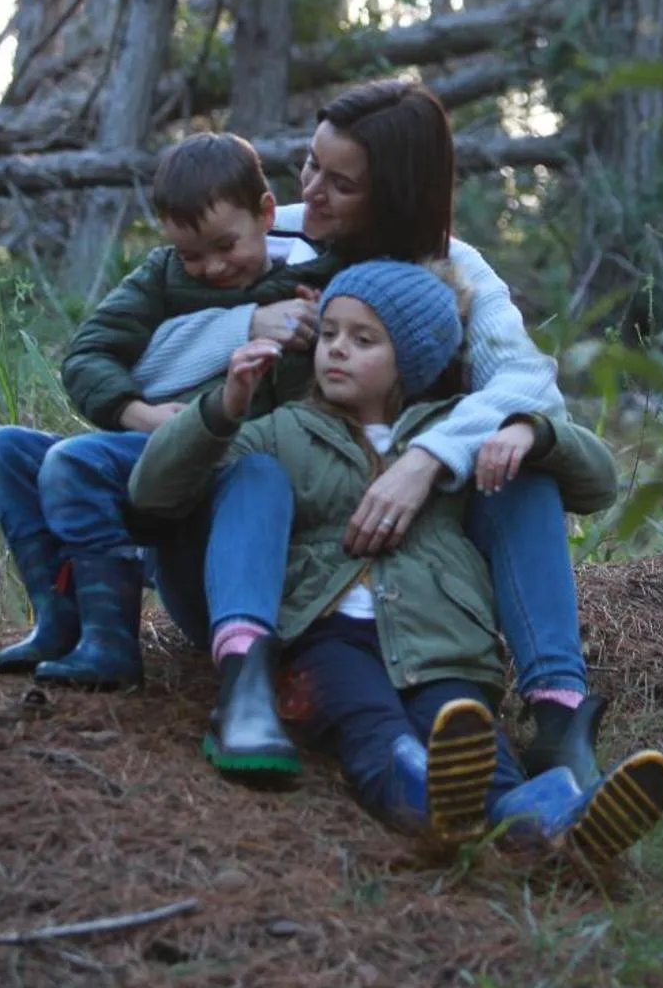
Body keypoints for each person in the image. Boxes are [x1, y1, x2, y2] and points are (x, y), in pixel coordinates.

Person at [133, 79, 614, 790]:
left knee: (523, 455)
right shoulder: (263, 236)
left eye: (341, 182)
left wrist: (426, 459)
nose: (311, 191)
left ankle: (557, 717)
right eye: (310, 165)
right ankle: (240, 672)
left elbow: (527, 382)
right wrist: (248, 324)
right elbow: (136, 361)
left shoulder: (455, 270)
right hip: (267, 551)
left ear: (393, 194)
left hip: (407, 570)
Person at [128, 260, 663, 861]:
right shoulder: (283, 431)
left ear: (410, 362)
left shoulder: (452, 431)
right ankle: (430, 806)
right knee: (376, 730)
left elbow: (598, 481)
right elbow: (152, 489)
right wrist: (223, 408)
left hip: (441, 641)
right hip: (324, 638)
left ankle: (557, 820)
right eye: (330, 333)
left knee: (469, 737)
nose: (336, 350)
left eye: (363, 340)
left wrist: (531, 432)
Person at [0, 132, 335, 687]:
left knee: (73, 462)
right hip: (153, 445)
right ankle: (61, 617)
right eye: (192, 253)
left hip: (229, 470)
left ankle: (112, 644)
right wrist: (142, 414)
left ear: (266, 213)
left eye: (226, 245)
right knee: (4, 451)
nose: (213, 267)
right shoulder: (163, 276)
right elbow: (87, 355)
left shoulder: (314, 283)